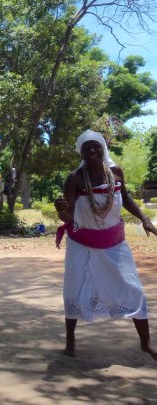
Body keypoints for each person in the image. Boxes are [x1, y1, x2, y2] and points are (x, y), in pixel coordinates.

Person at [54, 129, 157, 360]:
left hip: (113, 241)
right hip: (82, 241)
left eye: (96, 146)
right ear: (81, 153)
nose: (91, 151)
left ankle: (146, 343)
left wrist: (145, 219)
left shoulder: (116, 172)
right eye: (86, 148)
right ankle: (70, 338)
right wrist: (60, 210)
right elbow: (68, 216)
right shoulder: (75, 178)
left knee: (133, 288)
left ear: (103, 149)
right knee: (75, 287)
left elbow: (127, 197)